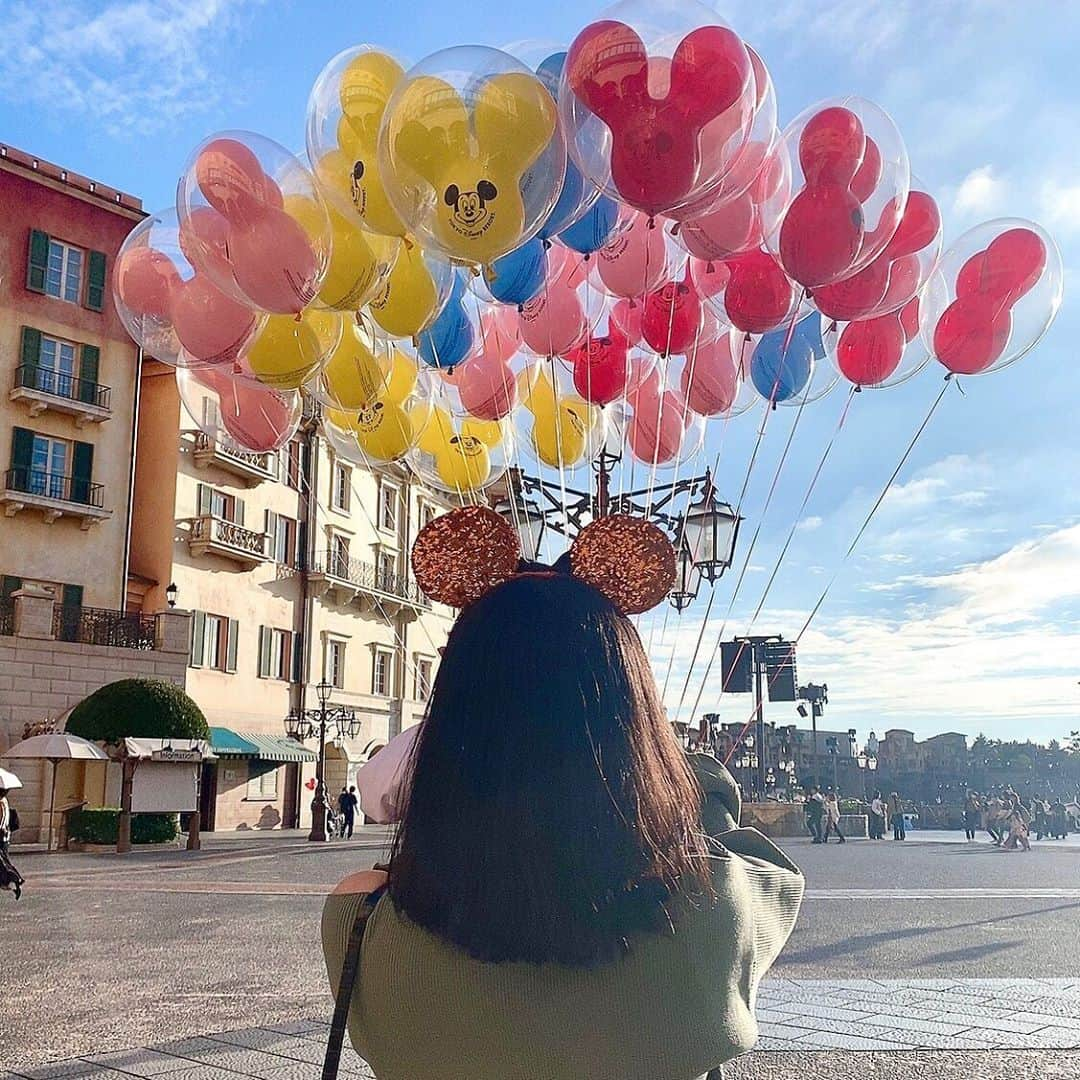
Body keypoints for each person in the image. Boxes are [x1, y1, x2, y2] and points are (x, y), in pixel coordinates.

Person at [322, 547, 804, 1080]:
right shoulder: (714, 909)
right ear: (633, 716)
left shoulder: (360, 921)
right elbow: (771, 871)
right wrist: (674, 770)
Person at [0, 787, 24, 900]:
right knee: (4, 861)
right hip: (4, 837)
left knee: (3, 862)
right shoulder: (4, 801)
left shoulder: (1, 802)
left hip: (1, 837)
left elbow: (2, 820)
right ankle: (14, 881)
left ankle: (14, 880)